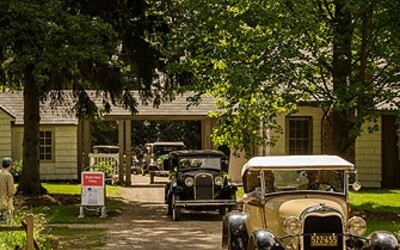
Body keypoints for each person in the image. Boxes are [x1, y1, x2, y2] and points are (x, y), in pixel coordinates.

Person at [0, 157, 15, 224]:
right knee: (5, 218)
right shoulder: (8, 175)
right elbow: (10, 190)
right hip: (4, 199)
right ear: (10, 165)